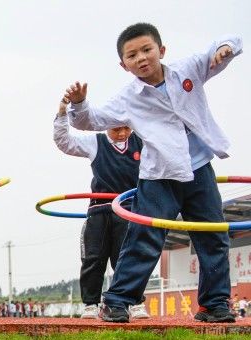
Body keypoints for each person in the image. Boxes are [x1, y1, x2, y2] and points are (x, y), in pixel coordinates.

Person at [64, 24, 242, 323]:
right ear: (124, 65)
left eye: (147, 50)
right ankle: (118, 301)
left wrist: (225, 48)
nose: (142, 58)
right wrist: (79, 102)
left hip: (199, 170)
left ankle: (214, 304)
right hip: (159, 174)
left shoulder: (188, 70)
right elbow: (88, 121)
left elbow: (225, 44)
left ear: (161, 51)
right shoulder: (127, 98)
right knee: (144, 237)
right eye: (132, 55)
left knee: (213, 237)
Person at [53, 100, 144, 319]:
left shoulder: (141, 143)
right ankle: (91, 304)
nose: (122, 134)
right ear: (106, 127)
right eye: (116, 129)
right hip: (99, 209)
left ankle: (135, 303)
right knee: (94, 258)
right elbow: (64, 141)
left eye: (126, 128)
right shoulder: (96, 142)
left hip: (128, 209)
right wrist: (62, 114)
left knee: (128, 257)